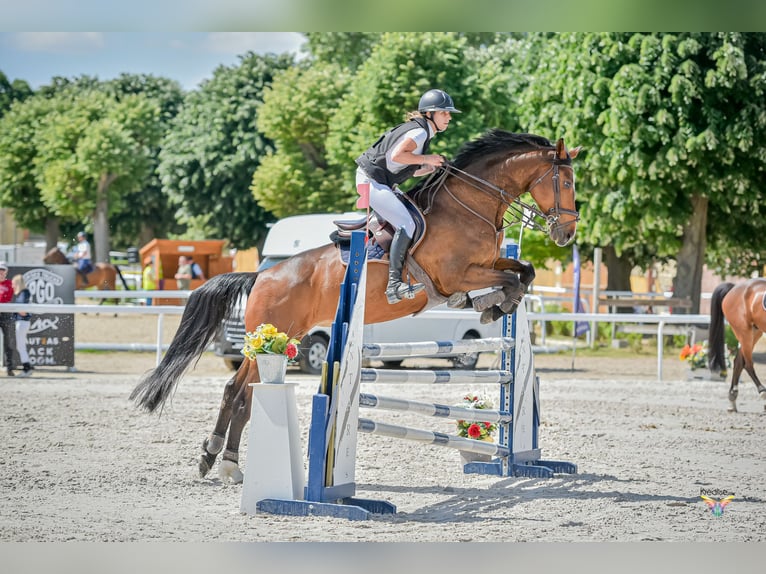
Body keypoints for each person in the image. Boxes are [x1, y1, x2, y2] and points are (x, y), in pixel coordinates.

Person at [355, 88, 460, 304]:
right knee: (407, 223)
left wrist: (429, 167)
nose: (449, 117)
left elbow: (404, 166)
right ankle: (394, 285)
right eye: (444, 113)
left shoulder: (421, 131)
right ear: (430, 113)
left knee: (412, 215)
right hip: (371, 180)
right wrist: (429, 158)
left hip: (380, 180)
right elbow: (397, 156)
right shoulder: (420, 132)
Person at [11, 274, 33, 377]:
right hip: (21, 322)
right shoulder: (22, 293)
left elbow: (23, 311)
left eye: (13, 284)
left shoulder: (24, 293)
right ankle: (27, 367)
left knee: (21, 346)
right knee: (21, 346)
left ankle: (27, 368)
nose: (12, 286)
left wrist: (14, 310)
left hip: (22, 322)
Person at [0, 262, 16, 376]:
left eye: (2, 270)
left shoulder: (11, 284)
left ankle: (9, 368)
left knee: (8, 341)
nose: (0, 272)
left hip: (6, 314)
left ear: (6, 272)